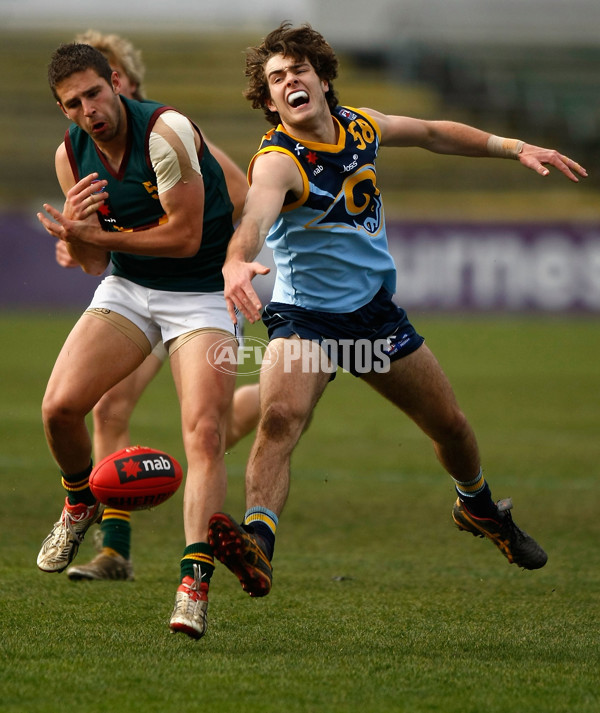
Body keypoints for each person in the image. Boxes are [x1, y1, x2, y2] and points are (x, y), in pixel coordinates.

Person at [207, 22, 588, 598]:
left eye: (298, 70)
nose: (290, 82)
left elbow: (435, 132)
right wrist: (238, 262)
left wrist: (515, 147)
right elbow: (255, 218)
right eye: (276, 79)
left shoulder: (361, 125)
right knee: (281, 418)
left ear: (323, 77)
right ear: (268, 101)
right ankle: (259, 544)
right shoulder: (279, 162)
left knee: (451, 427)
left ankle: (477, 505)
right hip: (305, 317)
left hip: (375, 316)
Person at [36, 42, 242, 640]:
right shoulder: (70, 155)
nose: (88, 110)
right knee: (59, 408)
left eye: (94, 93)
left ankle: (194, 582)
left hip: (202, 292)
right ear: (64, 109)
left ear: (116, 83)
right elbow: (96, 261)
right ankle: (80, 503)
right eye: (73, 103)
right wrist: (76, 237)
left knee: (203, 431)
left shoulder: (167, 131)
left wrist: (96, 235)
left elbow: (183, 237)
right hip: (130, 291)